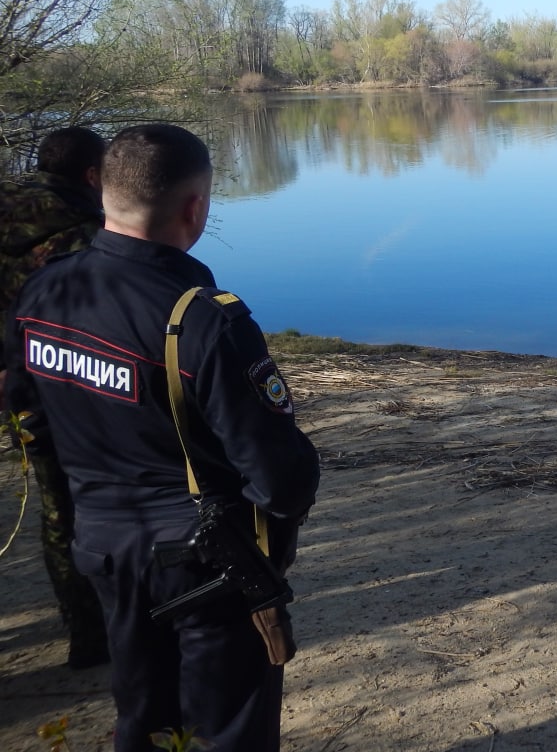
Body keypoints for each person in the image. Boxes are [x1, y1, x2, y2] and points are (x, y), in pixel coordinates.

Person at [4, 124, 320, 752]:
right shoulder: (202, 318)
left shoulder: (45, 289)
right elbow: (281, 480)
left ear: (105, 196)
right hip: (205, 564)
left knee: (144, 716)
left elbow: (23, 403)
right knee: (227, 731)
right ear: (195, 207)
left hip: (103, 545)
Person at [0, 125, 110, 668]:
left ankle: (85, 630)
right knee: (88, 503)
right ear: (93, 175)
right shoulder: (86, 234)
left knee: (54, 508)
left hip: (15, 383)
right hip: (70, 384)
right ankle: (99, 635)